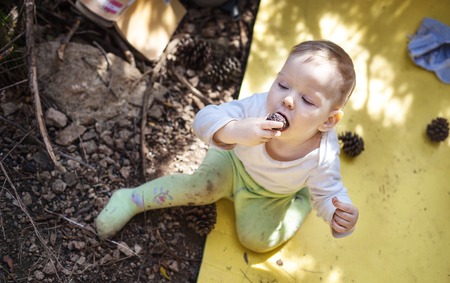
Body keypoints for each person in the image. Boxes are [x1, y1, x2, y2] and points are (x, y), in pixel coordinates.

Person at [96, 40, 359, 253]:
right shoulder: (256, 107)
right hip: (232, 161)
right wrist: (234, 130)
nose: (287, 100)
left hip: (271, 195)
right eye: (282, 85)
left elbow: (328, 193)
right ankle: (131, 199)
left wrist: (338, 215)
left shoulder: (323, 156)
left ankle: (300, 202)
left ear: (329, 120)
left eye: (307, 100)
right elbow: (203, 120)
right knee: (199, 188)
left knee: (256, 241)